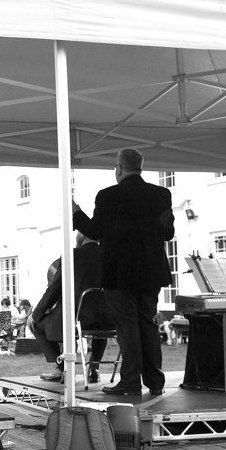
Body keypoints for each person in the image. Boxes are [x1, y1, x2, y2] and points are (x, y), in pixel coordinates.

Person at [73, 147, 175, 396]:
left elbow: (94, 231)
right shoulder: (161, 194)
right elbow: (167, 233)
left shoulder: (108, 196)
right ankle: (155, 381)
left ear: (119, 169)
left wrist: (75, 212)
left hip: (119, 273)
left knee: (127, 326)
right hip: (150, 273)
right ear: (140, 167)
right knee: (147, 324)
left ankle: (130, 381)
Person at [29, 233, 112, 383]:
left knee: (36, 325)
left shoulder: (72, 255)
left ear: (82, 235)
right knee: (99, 326)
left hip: (77, 320)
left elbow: (54, 289)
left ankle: (61, 368)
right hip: (109, 320)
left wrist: (35, 314)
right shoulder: (110, 254)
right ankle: (94, 368)